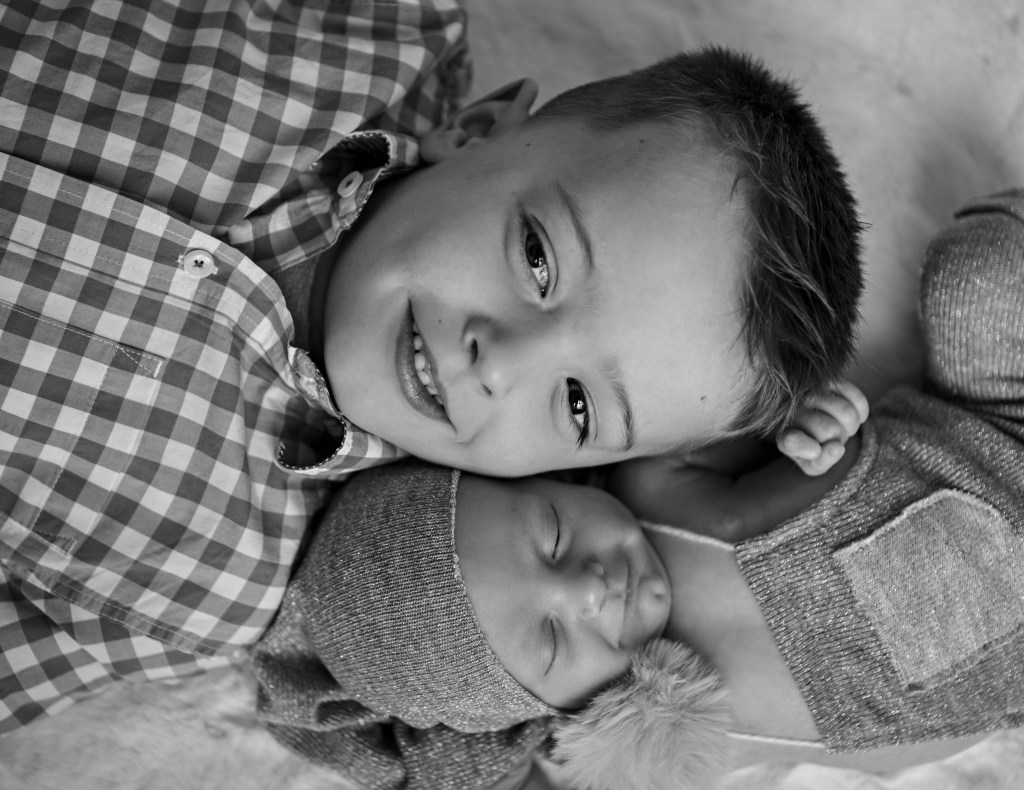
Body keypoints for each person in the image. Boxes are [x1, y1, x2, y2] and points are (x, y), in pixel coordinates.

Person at [1, 0, 862, 733]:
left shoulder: (218, 579)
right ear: (479, 130)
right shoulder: (373, 31)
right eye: (537, 259)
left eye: (576, 406)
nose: (501, 362)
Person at [250, 187, 1024, 790]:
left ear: (541, 477)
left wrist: (804, 423)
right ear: (547, 706)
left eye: (554, 532)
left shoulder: (652, 483)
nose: (589, 587)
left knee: (977, 272)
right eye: (552, 641)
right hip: (1003, 691)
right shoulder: (666, 746)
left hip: (992, 431)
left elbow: (747, 399)